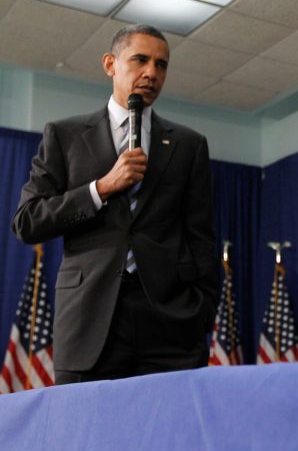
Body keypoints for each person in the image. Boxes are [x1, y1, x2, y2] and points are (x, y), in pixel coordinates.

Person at [12, 24, 218, 383]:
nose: (151, 73)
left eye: (161, 64)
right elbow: (27, 221)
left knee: (168, 437)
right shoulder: (65, 136)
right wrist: (101, 188)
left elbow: (200, 236)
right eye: (140, 60)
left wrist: (202, 309)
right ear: (110, 64)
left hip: (171, 324)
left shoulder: (189, 144)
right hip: (88, 320)